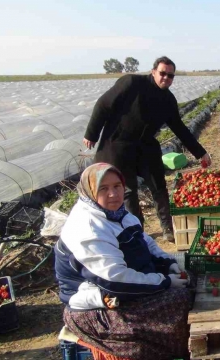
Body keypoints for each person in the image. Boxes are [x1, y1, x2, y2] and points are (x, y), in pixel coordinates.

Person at [54, 163, 192, 359]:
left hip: (121, 291)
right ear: (90, 190)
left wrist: (167, 262)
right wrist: (165, 281)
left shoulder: (118, 214)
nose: (113, 194)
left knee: (189, 285)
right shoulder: (87, 227)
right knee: (179, 302)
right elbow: (115, 280)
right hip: (97, 306)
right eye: (103, 188)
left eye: (117, 186)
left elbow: (146, 243)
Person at [83, 56, 212, 242]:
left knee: (158, 185)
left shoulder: (168, 99)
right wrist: (91, 134)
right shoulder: (132, 83)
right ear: (153, 72)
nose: (166, 78)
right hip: (119, 143)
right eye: (162, 73)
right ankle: (138, 231)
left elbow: (180, 128)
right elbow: (103, 104)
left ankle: (168, 228)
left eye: (170, 75)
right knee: (128, 190)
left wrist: (200, 153)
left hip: (145, 145)